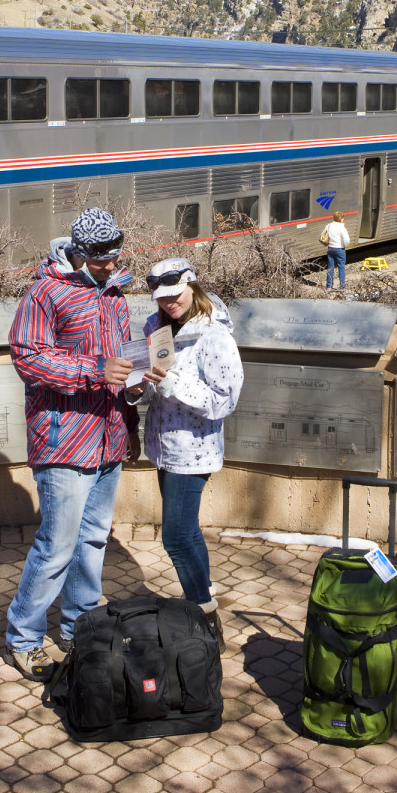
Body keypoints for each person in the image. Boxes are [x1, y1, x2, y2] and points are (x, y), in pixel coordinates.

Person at [3, 208, 138, 681]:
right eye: (100, 260)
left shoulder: (116, 296)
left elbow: (120, 362)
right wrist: (92, 370)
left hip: (108, 437)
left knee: (93, 539)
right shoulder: (44, 292)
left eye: (114, 258)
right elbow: (28, 357)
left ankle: (80, 626)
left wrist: (135, 396)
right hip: (64, 440)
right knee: (58, 546)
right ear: (78, 253)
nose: (109, 266)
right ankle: (23, 636)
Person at [134, 257, 243, 648]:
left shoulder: (215, 336)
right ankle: (205, 601)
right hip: (164, 447)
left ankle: (203, 614)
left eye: (174, 296)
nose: (168, 304)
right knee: (188, 531)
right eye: (161, 299)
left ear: (192, 286)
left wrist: (172, 384)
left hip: (194, 451)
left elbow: (224, 402)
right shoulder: (155, 328)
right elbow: (150, 388)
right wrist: (136, 389)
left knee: (176, 537)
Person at [320, 213, 350, 288]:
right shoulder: (341, 227)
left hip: (330, 249)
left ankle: (329, 286)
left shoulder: (329, 226)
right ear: (341, 219)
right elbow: (347, 240)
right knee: (341, 267)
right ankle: (342, 286)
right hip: (340, 249)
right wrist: (344, 245)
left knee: (330, 267)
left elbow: (322, 234)